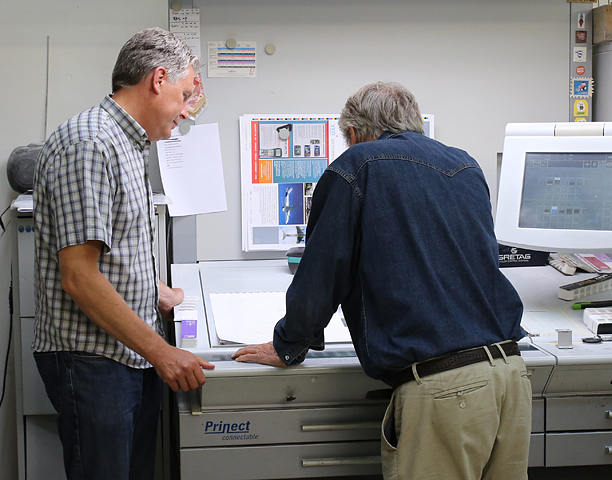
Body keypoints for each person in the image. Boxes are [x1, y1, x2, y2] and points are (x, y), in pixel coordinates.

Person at [232, 82, 532, 479]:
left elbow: (324, 273)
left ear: (354, 135)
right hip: (511, 376)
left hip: (446, 392)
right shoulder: (464, 165)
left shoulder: (356, 166)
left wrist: (289, 343)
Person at [32, 27, 215, 480]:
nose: (187, 111)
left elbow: (110, 250)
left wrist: (152, 291)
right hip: (95, 360)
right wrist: (163, 352)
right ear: (157, 80)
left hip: (126, 353)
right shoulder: (91, 144)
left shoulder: (130, 143)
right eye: (185, 94)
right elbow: (79, 275)